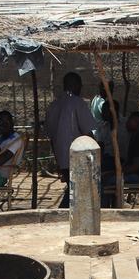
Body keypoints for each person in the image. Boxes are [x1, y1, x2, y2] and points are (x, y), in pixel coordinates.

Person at [45, 72, 96, 208]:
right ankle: (63, 211)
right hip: (78, 156)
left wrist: (57, 158)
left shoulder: (54, 105)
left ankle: (66, 212)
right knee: (78, 189)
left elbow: (50, 135)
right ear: (77, 85)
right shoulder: (78, 103)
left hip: (61, 156)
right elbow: (88, 133)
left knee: (73, 188)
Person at [96, 100, 129, 173]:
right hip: (106, 159)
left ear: (112, 111)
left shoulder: (126, 124)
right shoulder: (102, 127)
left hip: (122, 159)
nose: (102, 114)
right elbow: (100, 144)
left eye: (105, 111)